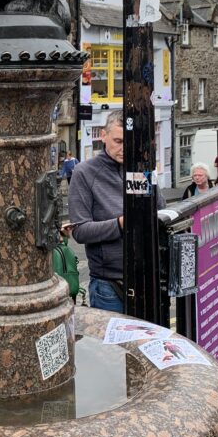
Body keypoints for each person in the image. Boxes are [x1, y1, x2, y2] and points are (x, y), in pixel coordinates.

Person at [65, 109, 164, 313]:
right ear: (104, 135)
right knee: (113, 346)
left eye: (129, 141)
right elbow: (80, 231)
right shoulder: (84, 173)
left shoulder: (140, 167)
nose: (124, 148)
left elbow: (161, 211)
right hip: (109, 285)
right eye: (118, 141)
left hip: (148, 278)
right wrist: (120, 223)